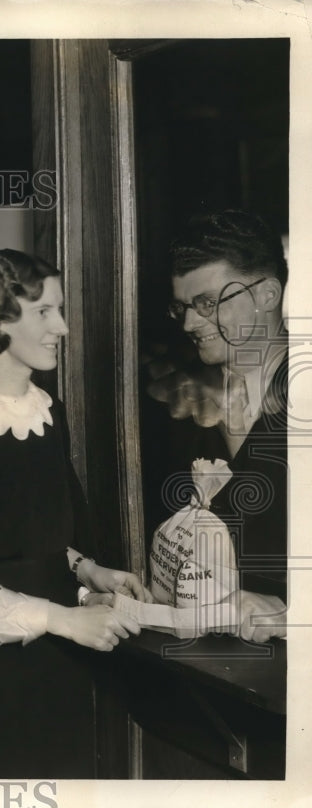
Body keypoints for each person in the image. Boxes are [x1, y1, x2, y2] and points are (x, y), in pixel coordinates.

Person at [0, 249, 148, 778]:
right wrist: (64, 619)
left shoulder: (47, 410)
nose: (62, 327)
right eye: (45, 311)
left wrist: (89, 573)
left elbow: (37, 535)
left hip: (60, 660)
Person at [165, 210, 289, 641]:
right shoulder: (187, 408)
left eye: (208, 303)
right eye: (183, 306)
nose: (189, 323)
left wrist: (293, 614)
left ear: (268, 293)